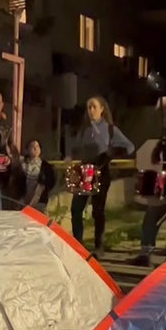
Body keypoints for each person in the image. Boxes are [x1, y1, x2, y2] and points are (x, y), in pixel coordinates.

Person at [68, 96, 135, 251]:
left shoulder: (110, 129)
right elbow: (75, 147)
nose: (91, 111)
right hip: (85, 171)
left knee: (98, 210)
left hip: (101, 171)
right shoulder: (85, 130)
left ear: (102, 109)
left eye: (94, 107)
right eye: (89, 108)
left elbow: (129, 146)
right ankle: (77, 243)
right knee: (76, 208)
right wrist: (69, 156)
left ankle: (99, 245)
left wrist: (112, 153)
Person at [131, 97, 166, 264]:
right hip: (162, 177)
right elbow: (157, 152)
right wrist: (157, 152)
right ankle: (146, 251)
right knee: (152, 213)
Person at [10, 139, 57, 213]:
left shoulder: (46, 166)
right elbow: (16, 182)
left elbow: (51, 181)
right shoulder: (22, 165)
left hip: (39, 201)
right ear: (27, 150)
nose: (35, 148)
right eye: (32, 146)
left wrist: (41, 188)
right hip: (23, 200)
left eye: (37, 146)